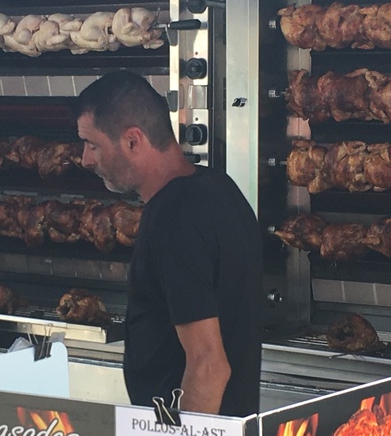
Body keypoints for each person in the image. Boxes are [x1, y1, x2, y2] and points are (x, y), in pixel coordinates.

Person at [76, 69, 263, 416]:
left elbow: (209, 367)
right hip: (229, 430)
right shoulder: (219, 188)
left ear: (133, 141)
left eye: (93, 145)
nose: (86, 159)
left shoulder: (173, 219)